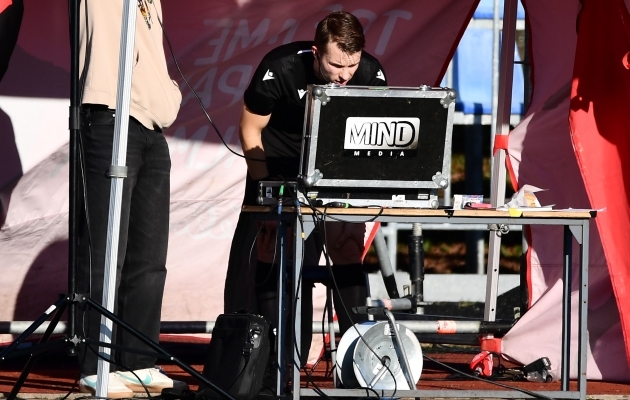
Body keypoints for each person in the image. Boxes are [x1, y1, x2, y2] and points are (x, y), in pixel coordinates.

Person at [224, 10, 388, 367]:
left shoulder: (370, 73)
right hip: (278, 167)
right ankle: (269, 365)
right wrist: (264, 184)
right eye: (335, 66)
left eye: (352, 65)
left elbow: (374, 138)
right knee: (267, 252)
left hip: (335, 168)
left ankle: (359, 360)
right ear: (316, 52)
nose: (345, 75)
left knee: (346, 247)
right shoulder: (279, 68)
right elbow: (250, 131)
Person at [75, 1, 185, 397]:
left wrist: (167, 93)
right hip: (110, 115)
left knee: (149, 255)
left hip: (151, 126)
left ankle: (137, 359)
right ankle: (96, 362)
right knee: (106, 250)